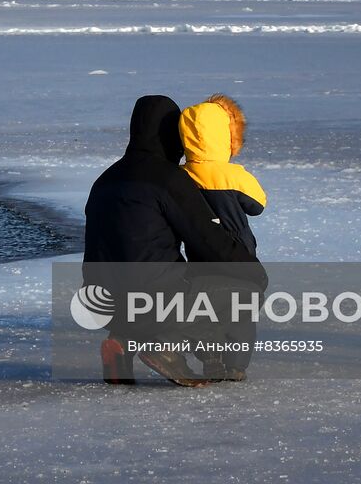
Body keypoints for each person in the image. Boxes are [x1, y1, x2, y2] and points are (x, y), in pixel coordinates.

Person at [84, 95, 266, 387]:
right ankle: (166, 349)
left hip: (102, 302)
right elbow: (208, 237)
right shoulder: (168, 179)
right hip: (152, 301)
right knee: (243, 292)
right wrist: (251, 270)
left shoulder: (105, 180)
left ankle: (122, 343)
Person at [179, 95, 267, 379]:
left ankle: (210, 357)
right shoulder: (233, 175)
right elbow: (257, 205)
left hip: (200, 260)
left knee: (203, 312)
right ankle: (237, 366)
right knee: (241, 314)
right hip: (240, 257)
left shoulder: (180, 177)